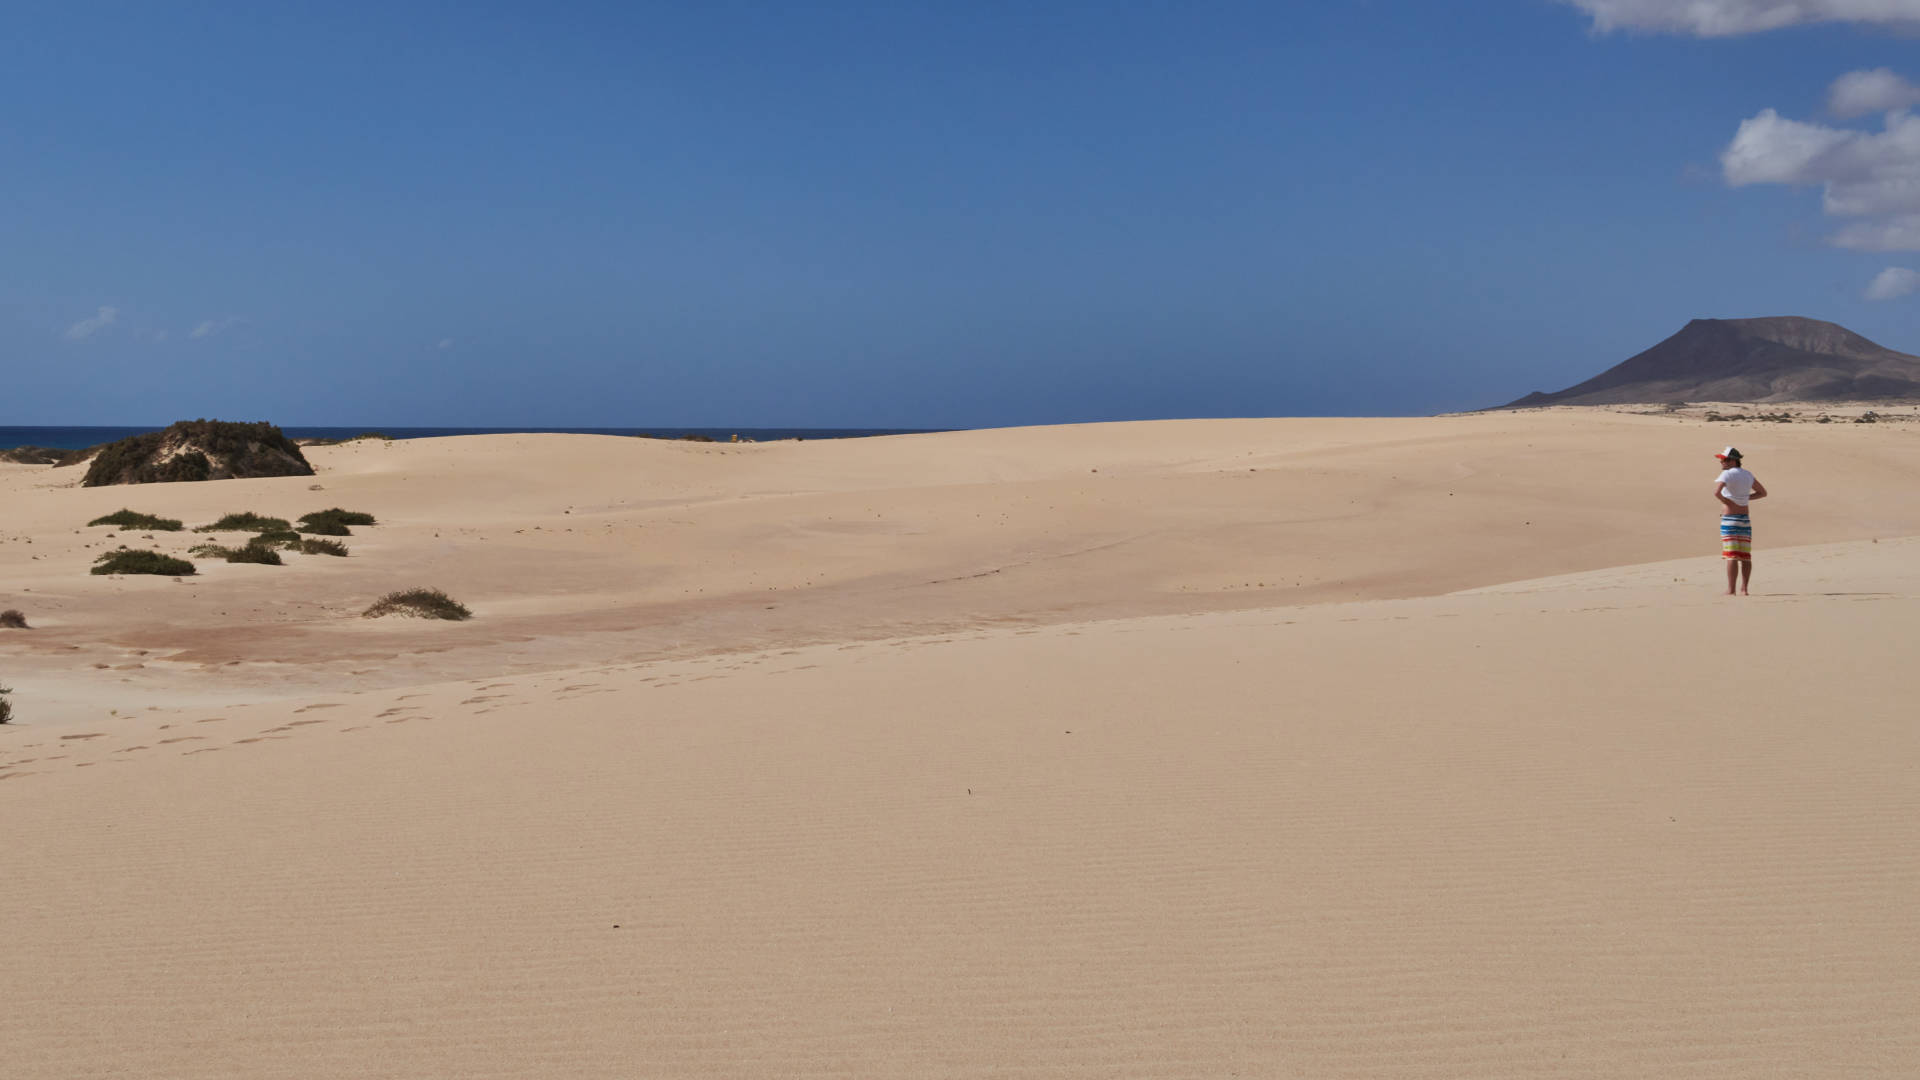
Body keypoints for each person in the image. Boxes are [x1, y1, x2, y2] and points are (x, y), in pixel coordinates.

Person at [1713, 447, 1767, 595]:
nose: (1721, 462)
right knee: (1745, 556)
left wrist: (1728, 502)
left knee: (1731, 555)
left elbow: (1716, 492)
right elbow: (1763, 493)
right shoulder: (1747, 474)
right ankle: (1744, 589)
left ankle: (1731, 590)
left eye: (1724, 459)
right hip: (1744, 519)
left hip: (1729, 519)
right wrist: (1745, 498)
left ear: (1733, 461)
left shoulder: (1727, 474)